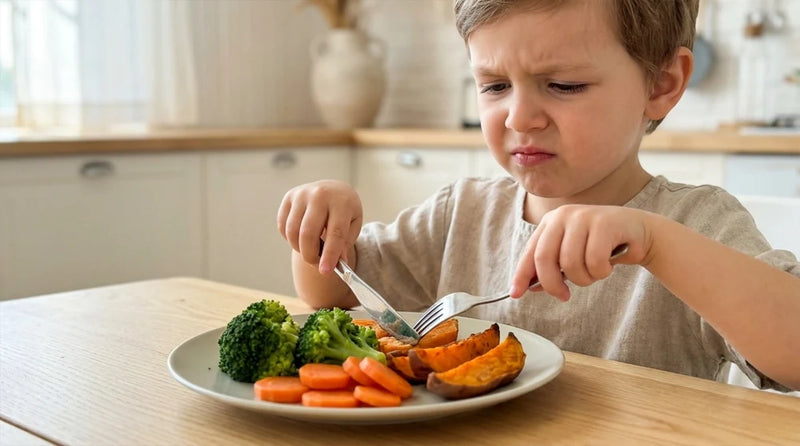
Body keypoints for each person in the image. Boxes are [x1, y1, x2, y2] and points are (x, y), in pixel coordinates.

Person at [277, 0, 800, 391]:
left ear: (661, 84)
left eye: (564, 85)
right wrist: (322, 227)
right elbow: (331, 296)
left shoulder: (692, 223)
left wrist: (655, 243)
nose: (519, 117)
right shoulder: (462, 212)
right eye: (494, 86)